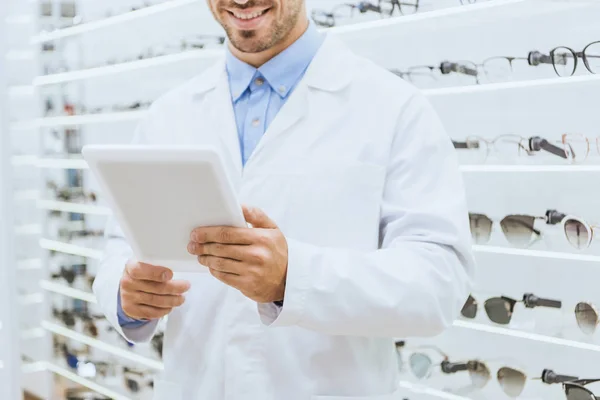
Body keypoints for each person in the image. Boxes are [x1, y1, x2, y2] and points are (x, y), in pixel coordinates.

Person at [93, 0, 475, 399]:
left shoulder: (394, 108)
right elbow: (119, 247)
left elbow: (439, 281)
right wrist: (126, 294)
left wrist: (294, 277)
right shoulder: (169, 115)